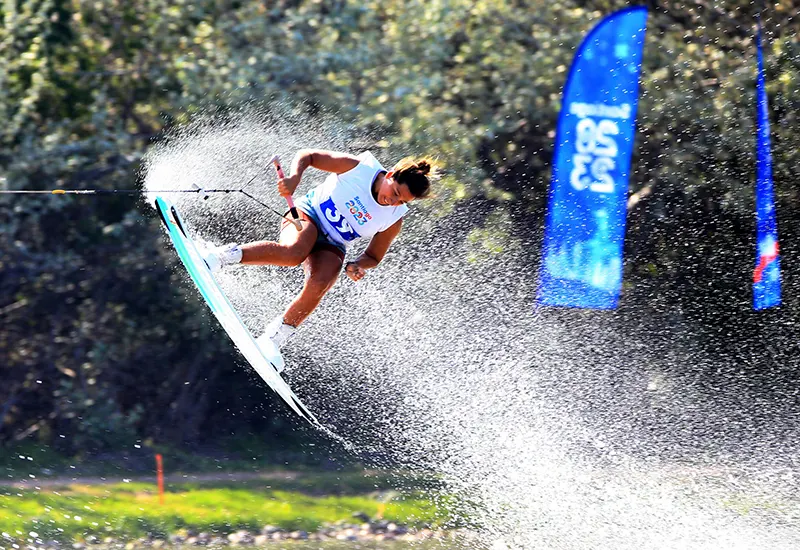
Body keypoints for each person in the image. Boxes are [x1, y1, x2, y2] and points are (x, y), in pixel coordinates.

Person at [199, 149, 435, 359]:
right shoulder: (359, 168)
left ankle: (273, 340)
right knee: (293, 254)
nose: (392, 201)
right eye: (394, 192)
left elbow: (373, 256)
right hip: (307, 215)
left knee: (322, 281)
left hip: (333, 243)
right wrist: (294, 178)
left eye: (401, 201)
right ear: (391, 175)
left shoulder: (394, 219)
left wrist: (358, 264)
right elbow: (308, 156)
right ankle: (220, 257)